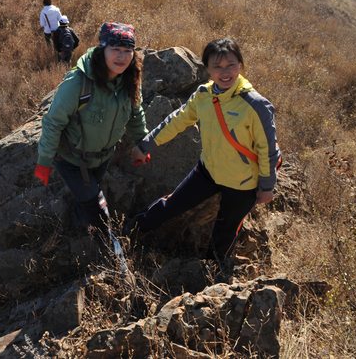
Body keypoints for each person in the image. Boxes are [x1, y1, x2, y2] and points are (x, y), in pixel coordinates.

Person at [126, 37, 281, 267]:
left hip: (243, 184)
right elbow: (176, 121)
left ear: (241, 64)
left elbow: (267, 149)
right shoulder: (204, 95)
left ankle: (211, 272)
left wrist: (267, 187)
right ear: (207, 69)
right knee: (172, 204)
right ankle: (130, 232)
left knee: (225, 229)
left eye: (231, 65)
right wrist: (145, 145)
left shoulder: (256, 105)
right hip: (208, 170)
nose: (225, 72)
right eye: (217, 67)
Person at [35, 22, 150, 236]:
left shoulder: (130, 78)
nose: (122, 57)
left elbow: (135, 113)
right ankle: (109, 253)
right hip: (71, 160)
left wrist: (142, 142)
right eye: (115, 49)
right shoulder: (79, 82)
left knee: (88, 199)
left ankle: (80, 226)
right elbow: (53, 122)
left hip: (102, 157)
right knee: (97, 212)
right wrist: (44, 161)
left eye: (127, 51)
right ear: (102, 49)